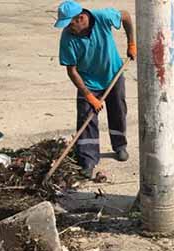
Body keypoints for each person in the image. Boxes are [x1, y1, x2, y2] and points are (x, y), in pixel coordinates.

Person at [54, 0, 136, 178]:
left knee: (118, 110)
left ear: (81, 18)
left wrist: (131, 43)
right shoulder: (67, 38)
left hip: (113, 73)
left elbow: (126, 16)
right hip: (88, 81)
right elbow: (72, 70)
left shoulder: (103, 17)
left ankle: (120, 146)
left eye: (69, 23)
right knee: (86, 118)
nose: (67, 28)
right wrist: (89, 96)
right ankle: (88, 160)